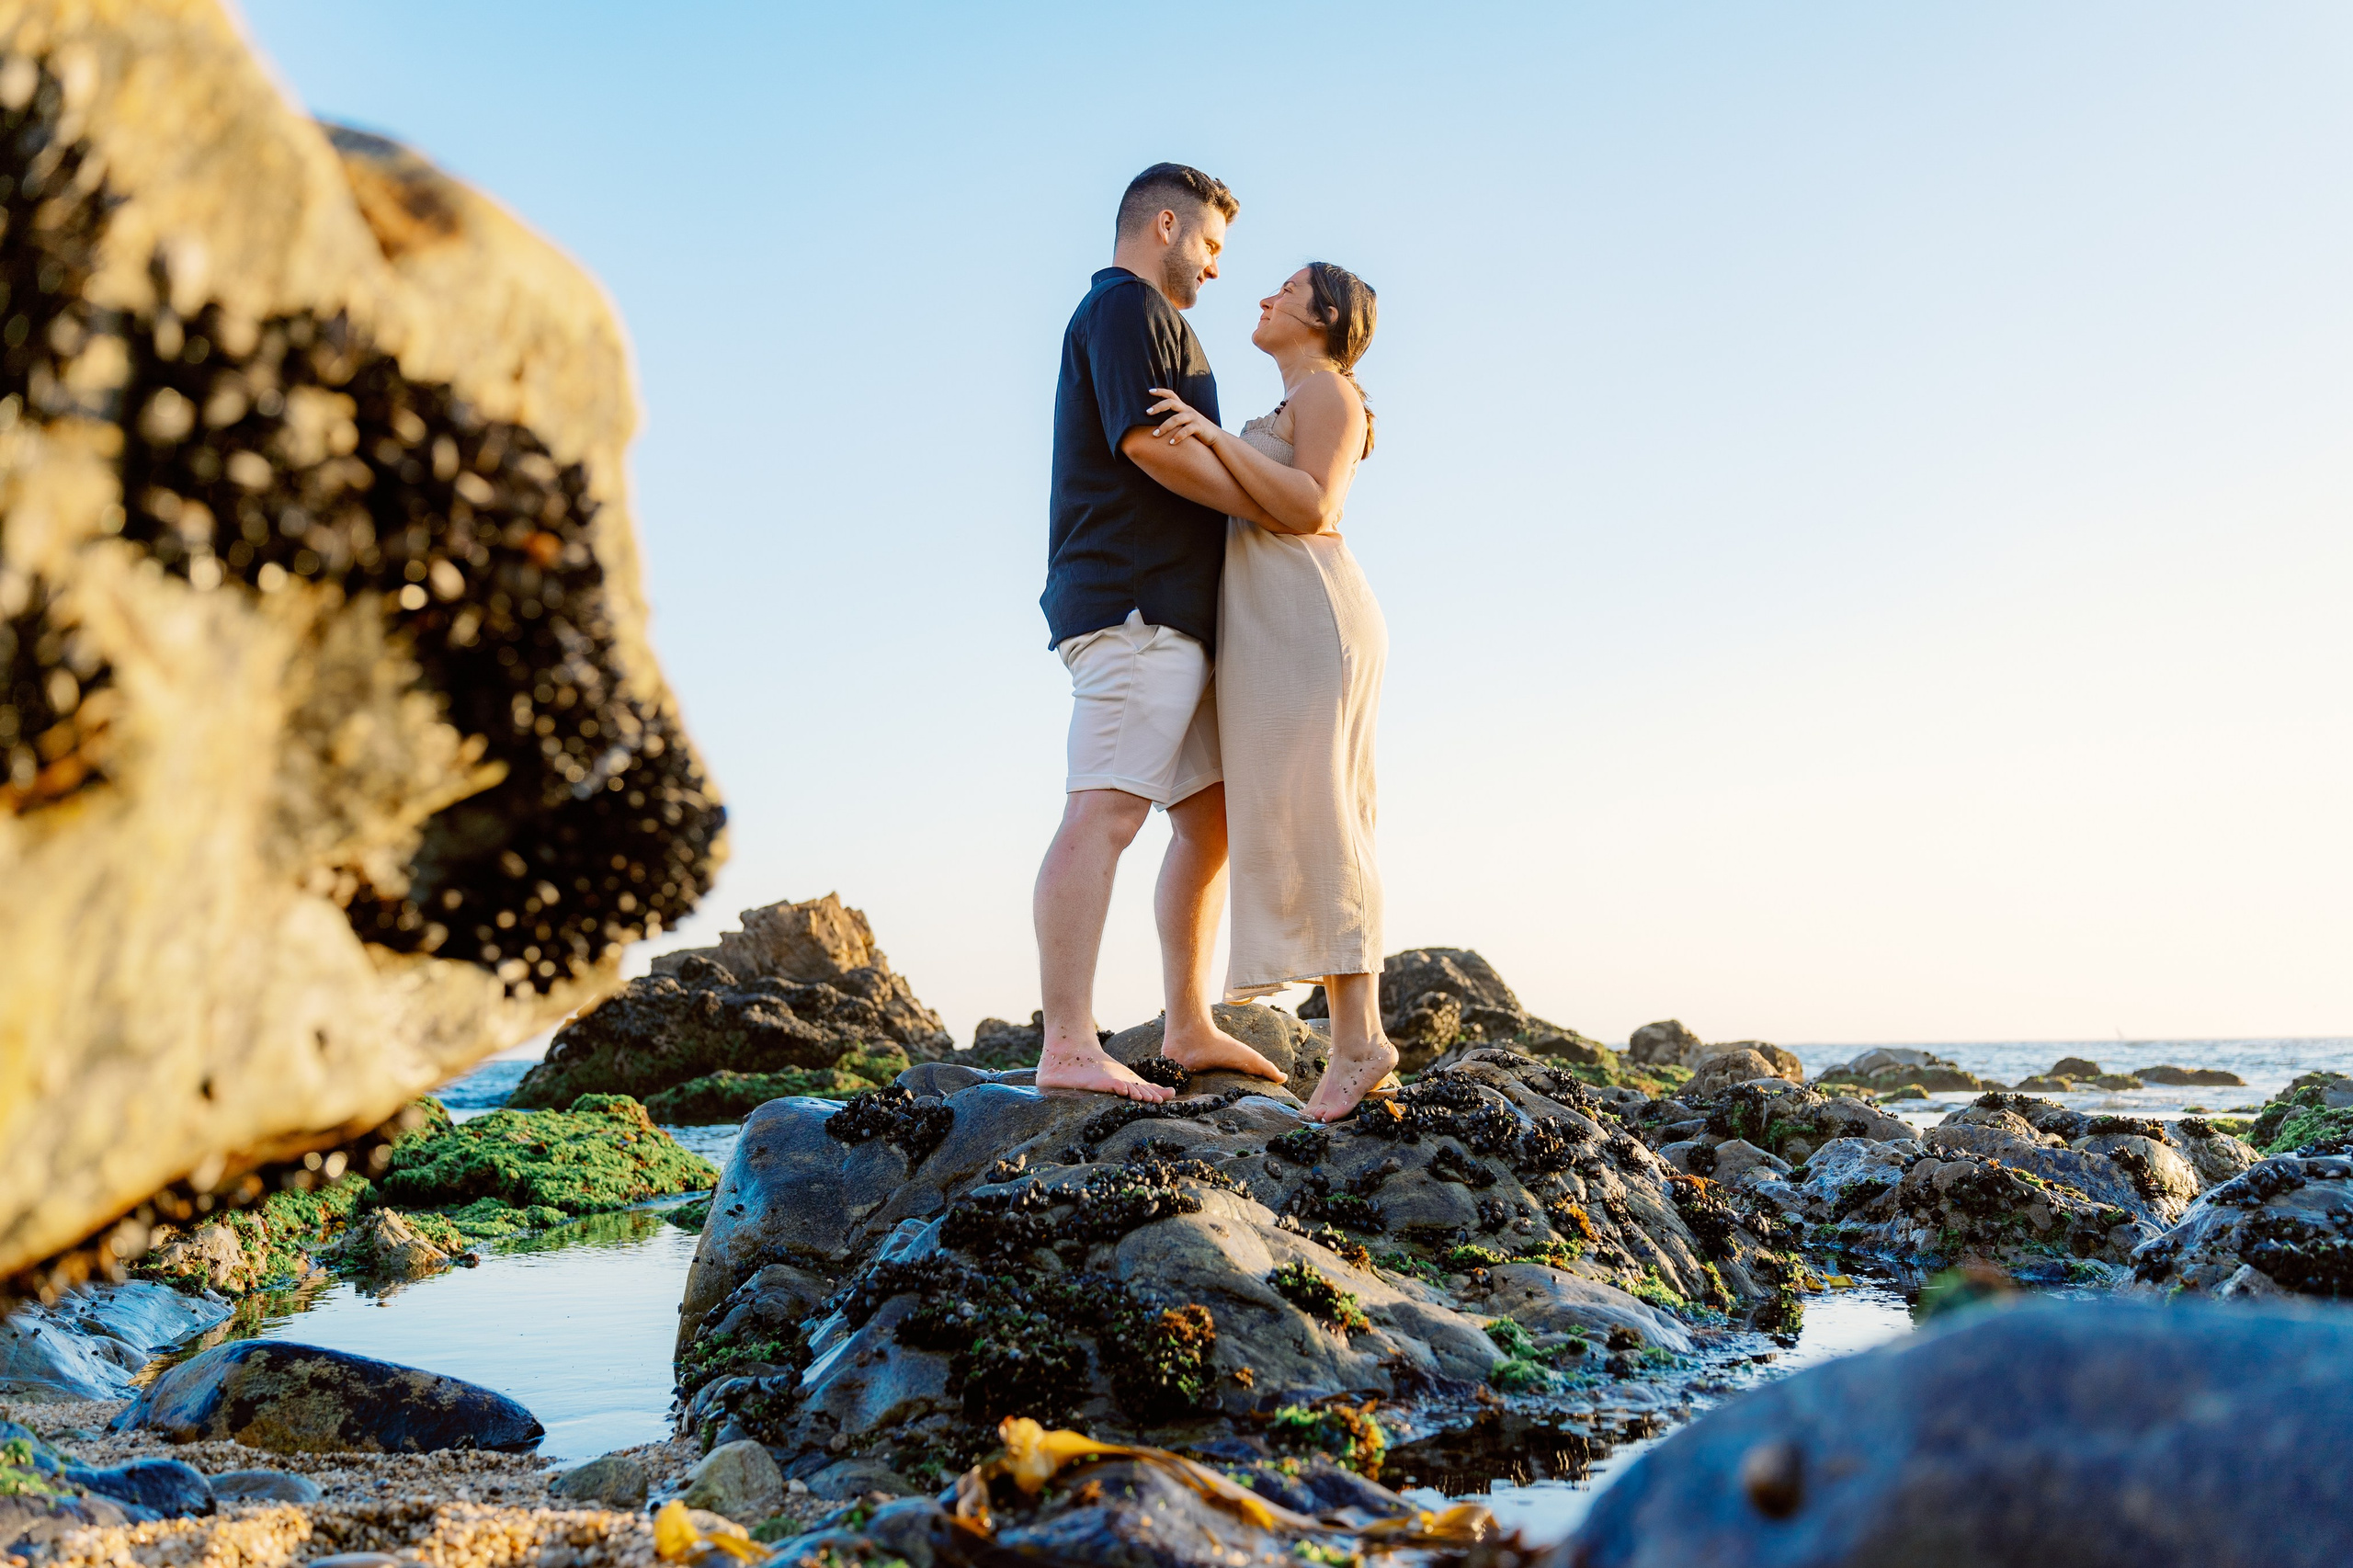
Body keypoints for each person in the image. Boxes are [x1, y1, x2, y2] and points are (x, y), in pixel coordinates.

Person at [1032, 164, 1289, 1102]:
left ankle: (1186, 1024)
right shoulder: (1125, 311)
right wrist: (1275, 501)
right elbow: (1147, 445)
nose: (1217, 268)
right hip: (1131, 605)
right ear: (1167, 225)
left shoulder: (1151, 319)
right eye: (1213, 245)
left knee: (1207, 820)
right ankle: (1067, 1042)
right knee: (1103, 812)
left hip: (1173, 619)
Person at [1142, 262, 1394, 1121]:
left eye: (1285, 289)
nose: (1264, 298)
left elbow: (1311, 507)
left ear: (1328, 316)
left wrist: (1212, 439)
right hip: (1267, 620)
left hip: (1309, 612)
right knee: (1280, 812)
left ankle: (1360, 1040)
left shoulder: (1329, 389)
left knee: (1322, 810)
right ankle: (1336, 1033)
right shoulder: (1288, 403)